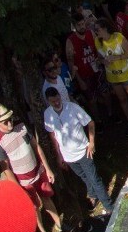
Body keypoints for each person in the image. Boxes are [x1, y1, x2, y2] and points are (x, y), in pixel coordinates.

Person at [43, 88, 112, 217]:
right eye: (53, 101)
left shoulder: (72, 108)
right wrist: (59, 156)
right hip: (68, 156)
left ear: (60, 96)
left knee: (94, 179)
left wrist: (91, 143)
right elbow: (53, 136)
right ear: (48, 101)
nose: (57, 103)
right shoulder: (48, 114)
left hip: (83, 152)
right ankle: (93, 195)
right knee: (84, 177)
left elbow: (90, 123)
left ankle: (109, 206)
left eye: (58, 99)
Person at [0, 104, 61, 232]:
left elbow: (36, 146)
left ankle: (60, 225)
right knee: (33, 207)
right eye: (5, 122)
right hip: (23, 180)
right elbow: (6, 169)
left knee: (47, 198)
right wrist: (18, 190)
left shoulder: (21, 126)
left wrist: (47, 168)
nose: (10, 123)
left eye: (10, 119)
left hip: (38, 170)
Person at [93, 18, 128, 122]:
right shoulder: (97, 41)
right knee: (122, 100)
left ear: (105, 28)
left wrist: (117, 57)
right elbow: (99, 57)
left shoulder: (118, 37)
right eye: (95, 30)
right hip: (113, 76)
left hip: (126, 74)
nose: (96, 32)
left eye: (97, 29)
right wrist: (102, 61)